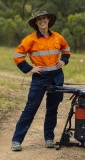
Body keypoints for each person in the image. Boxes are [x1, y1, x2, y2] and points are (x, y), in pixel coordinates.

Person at [11, 10, 71, 151]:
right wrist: (29, 68)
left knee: (52, 109)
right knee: (31, 108)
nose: (42, 21)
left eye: (44, 18)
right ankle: (16, 140)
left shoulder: (57, 37)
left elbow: (66, 50)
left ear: (49, 20)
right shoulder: (30, 39)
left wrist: (64, 60)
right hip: (40, 78)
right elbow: (17, 55)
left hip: (57, 77)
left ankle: (49, 138)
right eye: (39, 20)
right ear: (36, 23)